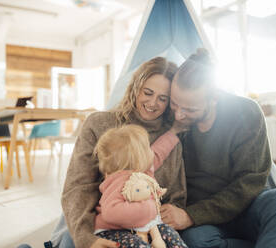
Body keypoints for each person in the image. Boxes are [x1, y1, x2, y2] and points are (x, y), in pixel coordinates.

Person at [159, 49, 276, 248]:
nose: (179, 115)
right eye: (175, 104)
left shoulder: (246, 112)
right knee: (195, 242)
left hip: (248, 206)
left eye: (190, 109)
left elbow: (250, 182)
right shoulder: (172, 120)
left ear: (215, 98)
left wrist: (190, 216)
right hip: (204, 221)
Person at [59, 57, 187, 248]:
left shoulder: (170, 141)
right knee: (69, 242)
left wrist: (171, 213)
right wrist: (86, 238)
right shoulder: (99, 124)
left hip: (149, 227)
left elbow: (177, 195)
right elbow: (78, 187)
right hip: (98, 224)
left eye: (162, 98)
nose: (153, 103)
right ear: (136, 87)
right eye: (148, 93)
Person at [93, 124, 187, 248]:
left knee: (172, 236)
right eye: (147, 148)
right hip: (115, 231)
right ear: (136, 159)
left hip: (146, 226)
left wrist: (173, 133)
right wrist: (149, 208)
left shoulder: (144, 170)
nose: (151, 151)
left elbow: (159, 152)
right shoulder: (118, 181)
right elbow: (110, 213)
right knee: (139, 245)